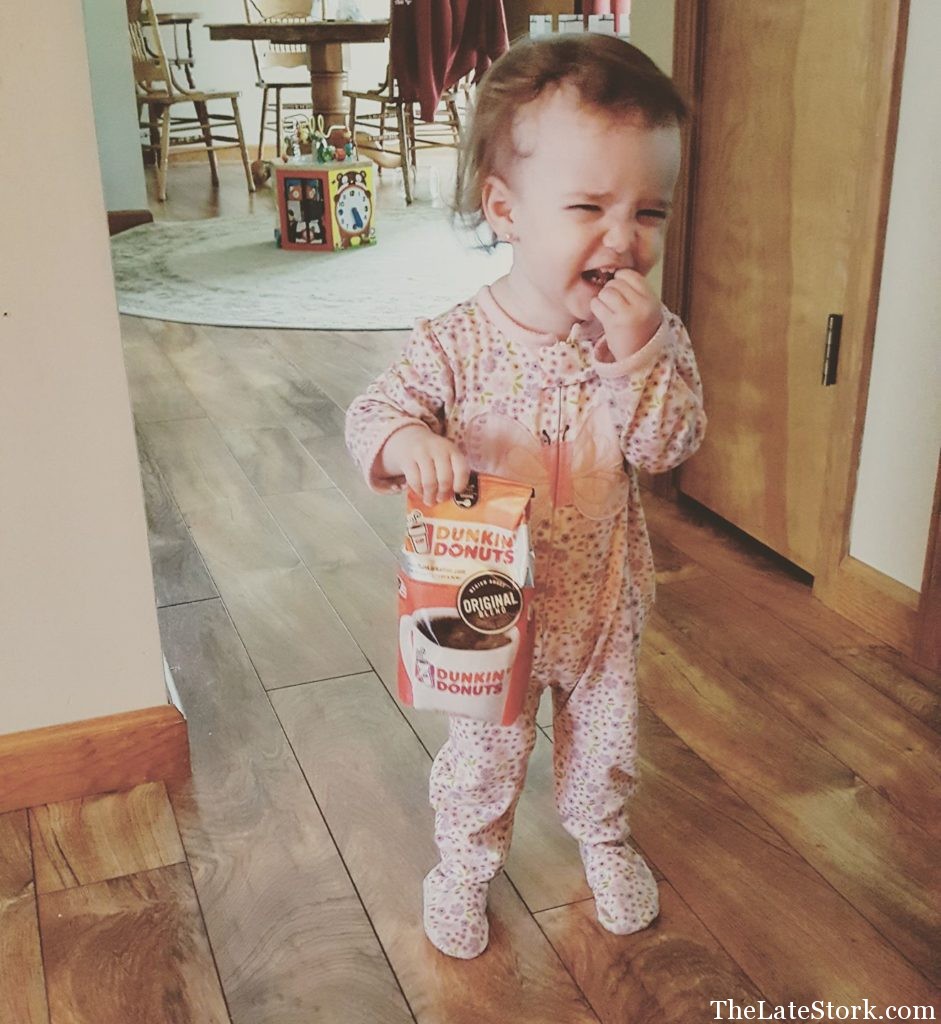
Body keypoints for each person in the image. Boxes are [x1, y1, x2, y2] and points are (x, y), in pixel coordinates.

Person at [345, 33, 706, 959]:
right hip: (484, 606)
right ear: (505, 208)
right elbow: (373, 413)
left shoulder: (650, 340)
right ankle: (463, 866)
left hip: (601, 606)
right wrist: (409, 442)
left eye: (649, 212)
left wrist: (636, 359)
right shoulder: (454, 341)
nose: (622, 239)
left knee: (605, 750)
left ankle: (603, 840)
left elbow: (668, 444)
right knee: (482, 758)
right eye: (588, 206)